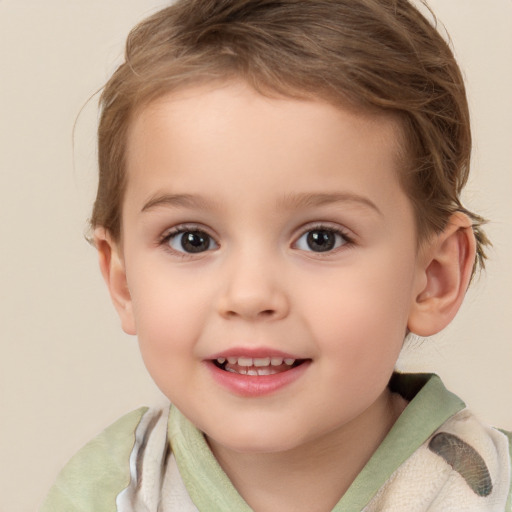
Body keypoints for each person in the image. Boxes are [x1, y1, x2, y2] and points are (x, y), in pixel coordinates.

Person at [41, 0, 512, 510]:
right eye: (192, 239)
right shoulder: (106, 492)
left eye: (321, 238)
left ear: (433, 277)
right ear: (123, 279)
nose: (249, 295)